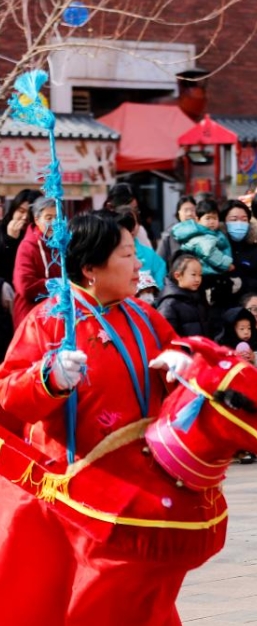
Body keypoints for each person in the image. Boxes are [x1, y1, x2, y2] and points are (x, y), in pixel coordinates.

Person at [0, 210, 192, 623]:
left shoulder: (145, 316)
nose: (139, 263)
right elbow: (9, 397)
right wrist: (48, 379)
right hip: (78, 496)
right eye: (127, 255)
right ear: (90, 268)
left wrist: (186, 369)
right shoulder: (48, 321)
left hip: (140, 489)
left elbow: (186, 371)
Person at [12, 196, 59, 326]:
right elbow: (25, 286)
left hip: (56, 317)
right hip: (31, 318)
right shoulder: (27, 246)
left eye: (57, 217)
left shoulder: (62, 244)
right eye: (49, 218)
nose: (54, 223)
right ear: (37, 220)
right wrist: (58, 284)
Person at [172, 198, 233, 278]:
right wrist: (227, 265)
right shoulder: (201, 236)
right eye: (208, 218)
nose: (212, 222)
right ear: (198, 220)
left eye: (214, 218)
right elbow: (209, 252)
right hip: (206, 274)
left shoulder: (215, 232)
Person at [114, 205, 167, 289]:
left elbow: (161, 282)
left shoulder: (149, 254)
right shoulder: (110, 254)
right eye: (127, 224)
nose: (133, 228)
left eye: (135, 222)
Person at [156, 253, 209, 337]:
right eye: (193, 275)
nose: (198, 279)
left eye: (200, 275)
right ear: (177, 275)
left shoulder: (198, 297)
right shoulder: (169, 304)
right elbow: (166, 337)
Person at [1, 188, 40, 282]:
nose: (25, 217)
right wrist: (10, 241)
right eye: (21, 211)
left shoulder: (41, 236)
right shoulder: (2, 229)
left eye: (30, 213)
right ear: (13, 210)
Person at [156, 195, 197, 266]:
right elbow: (159, 262)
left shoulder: (201, 232)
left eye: (193, 210)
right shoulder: (169, 234)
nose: (190, 213)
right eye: (186, 210)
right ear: (179, 213)